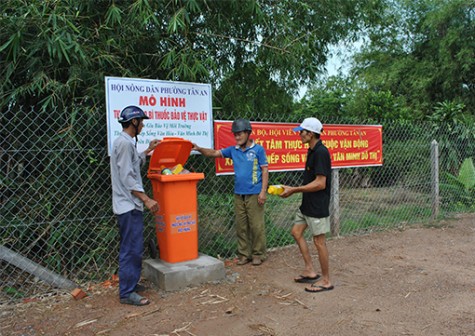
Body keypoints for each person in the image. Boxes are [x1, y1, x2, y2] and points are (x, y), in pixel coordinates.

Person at [192, 119, 269, 266]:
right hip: (238, 193)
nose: (237, 137)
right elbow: (214, 153)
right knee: (241, 226)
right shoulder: (233, 150)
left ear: (247, 133)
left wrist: (263, 192)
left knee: (256, 225)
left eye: (239, 134)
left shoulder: (258, 150)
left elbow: (265, 170)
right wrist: (199, 148)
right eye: (235, 135)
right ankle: (244, 254)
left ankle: (258, 254)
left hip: (254, 193)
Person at [110, 105, 160, 306]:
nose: (143, 125)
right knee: (131, 249)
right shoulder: (124, 143)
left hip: (130, 205)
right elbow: (127, 177)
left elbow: (133, 163)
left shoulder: (127, 143)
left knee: (134, 247)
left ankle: (130, 284)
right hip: (128, 205)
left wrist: (148, 150)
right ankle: (126, 293)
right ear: (134, 122)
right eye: (142, 121)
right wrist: (146, 199)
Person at [280, 117, 334, 293]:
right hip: (307, 204)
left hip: (317, 206)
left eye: (302, 132)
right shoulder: (311, 150)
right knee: (296, 232)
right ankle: (310, 270)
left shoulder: (321, 153)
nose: (299, 134)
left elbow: (320, 183)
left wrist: (294, 189)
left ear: (310, 134)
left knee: (319, 242)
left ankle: (326, 281)